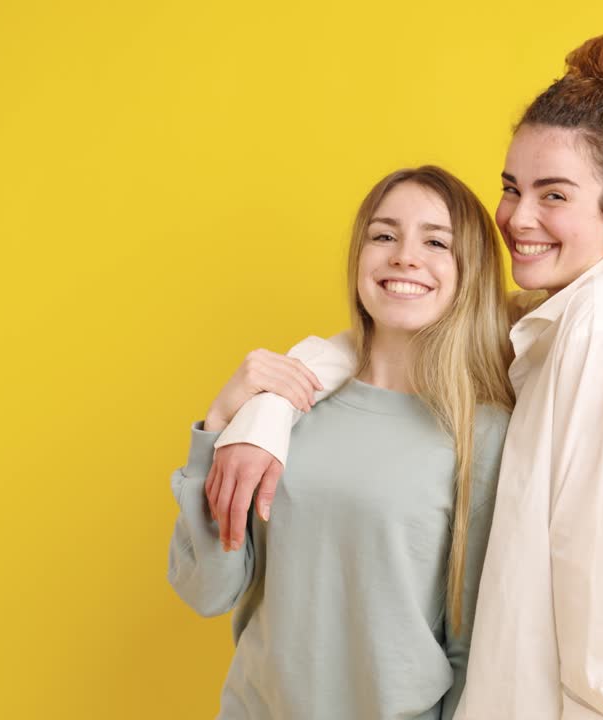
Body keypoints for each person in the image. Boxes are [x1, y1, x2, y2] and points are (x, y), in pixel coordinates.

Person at [210, 34, 603, 720]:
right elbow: (382, 336)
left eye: (555, 194)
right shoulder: (548, 324)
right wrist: (265, 411)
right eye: (512, 188)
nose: (519, 217)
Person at [167, 165, 514, 719]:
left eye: (435, 242)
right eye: (384, 235)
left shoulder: (483, 434)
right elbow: (206, 589)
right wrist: (218, 422)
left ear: (469, 269)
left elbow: (472, 646)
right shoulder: (281, 409)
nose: (404, 255)